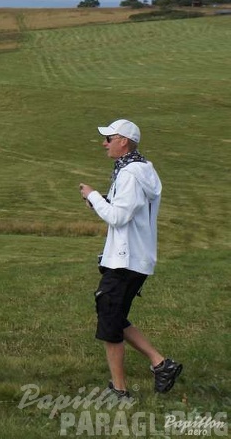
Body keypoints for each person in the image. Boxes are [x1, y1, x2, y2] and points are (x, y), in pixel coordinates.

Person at [79, 119, 182, 397]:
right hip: (132, 258)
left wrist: (94, 197)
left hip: (127, 260)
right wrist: (100, 199)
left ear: (123, 141)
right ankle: (162, 364)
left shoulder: (130, 174)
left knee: (110, 319)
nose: (104, 143)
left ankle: (119, 391)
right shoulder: (136, 170)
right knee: (112, 314)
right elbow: (126, 210)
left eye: (109, 138)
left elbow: (118, 217)